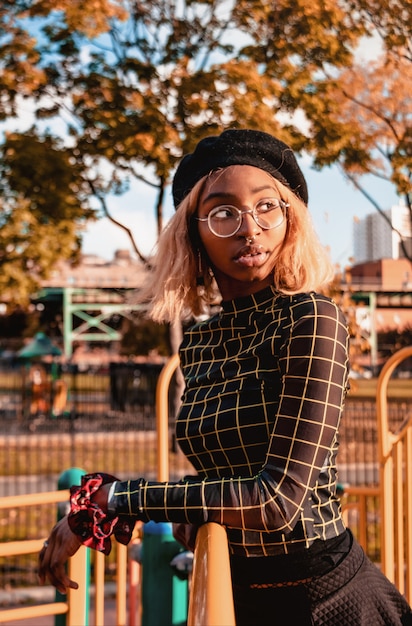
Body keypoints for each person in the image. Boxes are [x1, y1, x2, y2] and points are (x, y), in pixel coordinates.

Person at [38, 129, 412, 625]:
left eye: (266, 207)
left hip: (325, 600)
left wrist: (117, 498)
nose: (249, 228)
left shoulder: (312, 319)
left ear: (290, 221)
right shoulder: (199, 342)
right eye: (223, 213)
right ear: (193, 233)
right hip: (234, 594)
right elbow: (224, 474)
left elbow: (276, 500)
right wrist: (190, 515)